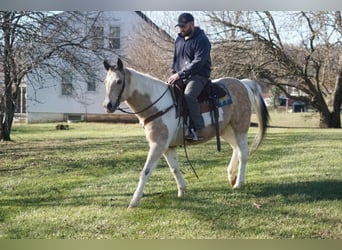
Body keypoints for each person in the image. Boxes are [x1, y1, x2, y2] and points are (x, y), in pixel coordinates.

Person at [167, 12, 212, 141]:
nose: (181, 29)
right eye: (180, 26)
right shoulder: (179, 39)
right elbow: (176, 60)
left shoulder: (202, 40)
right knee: (168, 92)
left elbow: (198, 62)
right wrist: (173, 74)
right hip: (181, 75)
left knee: (189, 96)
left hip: (199, 75)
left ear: (192, 24)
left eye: (184, 26)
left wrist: (179, 74)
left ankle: (197, 130)